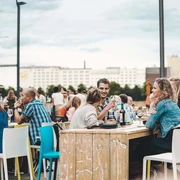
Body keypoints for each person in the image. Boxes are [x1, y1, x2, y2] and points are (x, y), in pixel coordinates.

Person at [145, 78, 180, 155]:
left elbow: (149, 125)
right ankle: (157, 166)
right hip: (177, 141)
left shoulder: (162, 103)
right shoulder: (171, 102)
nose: (152, 90)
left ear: (162, 90)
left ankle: (158, 167)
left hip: (172, 141)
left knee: (145, 145)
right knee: (147, 144)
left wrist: (153, 113)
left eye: (154, 88)